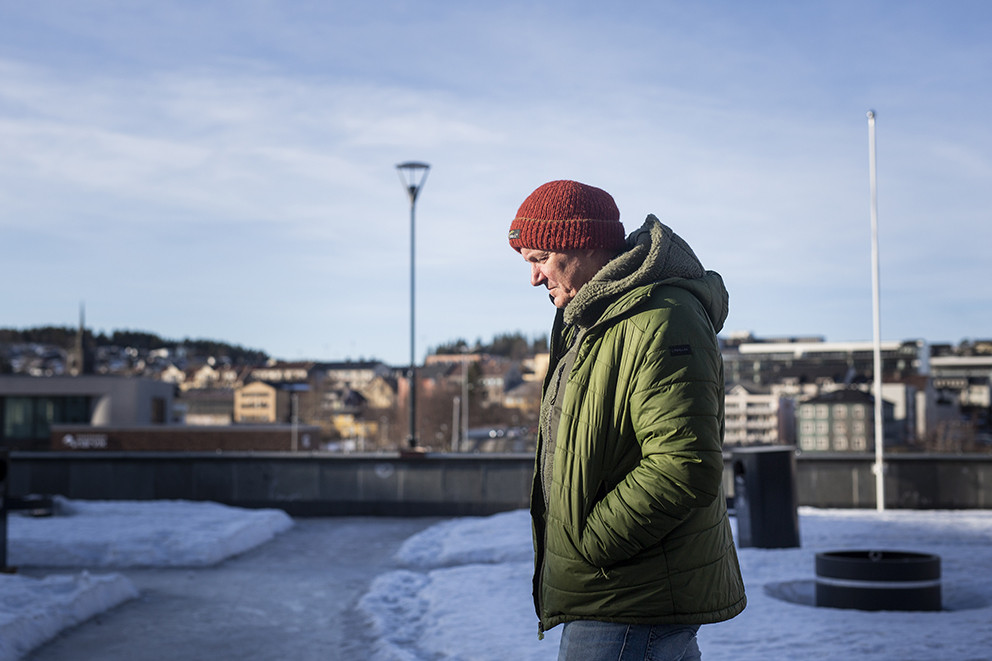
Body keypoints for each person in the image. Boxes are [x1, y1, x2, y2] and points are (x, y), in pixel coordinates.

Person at [508, 180, 746, 661]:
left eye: (540, 258)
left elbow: (684, 464)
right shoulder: (597, 320)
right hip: (616, 595)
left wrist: (592, 542)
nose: (533, 277)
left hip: (627, 601)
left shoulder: (662, 317)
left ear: (583, 244)